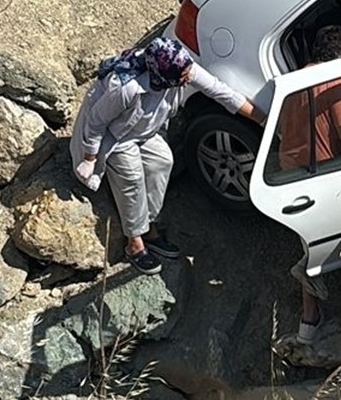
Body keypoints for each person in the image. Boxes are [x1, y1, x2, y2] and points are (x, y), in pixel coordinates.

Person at [70, 36, 263, 275]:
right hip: (117, 138)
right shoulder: (125, 86)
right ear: (162, 74)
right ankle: (135, 242)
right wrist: (89, 158)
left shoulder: (179, 67)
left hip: (145, 132)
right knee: (131, 179)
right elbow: (96, 122)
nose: (187, 78)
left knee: (163, 161)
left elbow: (221, 91)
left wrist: (262, 119)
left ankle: (149, 225)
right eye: (182, 76)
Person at [273, 24, 341, 346]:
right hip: (323, 172)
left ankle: (309, 323)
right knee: (325, 241)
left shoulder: (295, 77)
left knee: (309, 237)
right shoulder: (335, 83)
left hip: (290, 167)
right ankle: (307, 316)